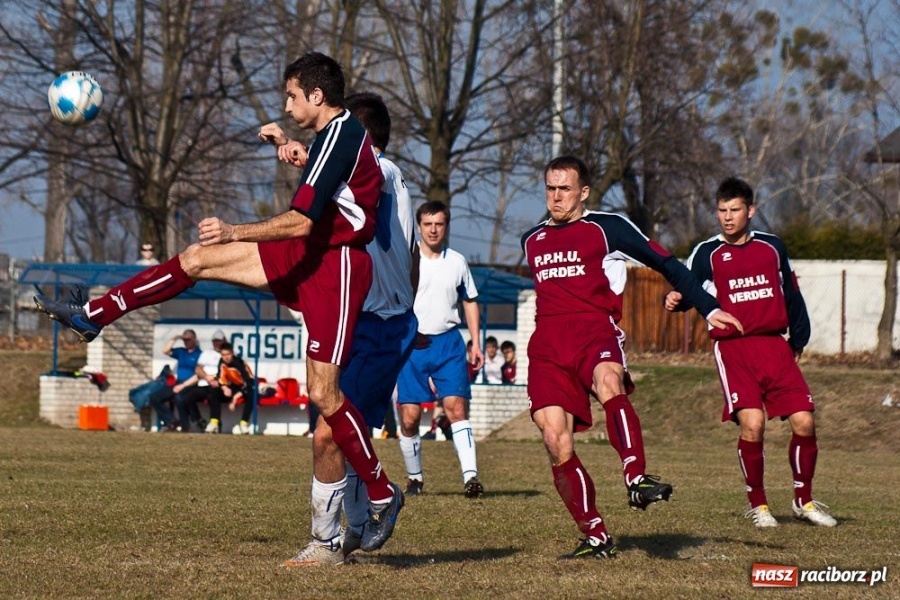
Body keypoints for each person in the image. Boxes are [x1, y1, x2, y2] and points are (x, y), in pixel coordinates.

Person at [33, 52, 404, 558]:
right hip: (312, 255)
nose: (287, 102)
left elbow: (302, 219)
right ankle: (93, 314)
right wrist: (291, 149)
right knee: (197, 258)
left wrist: (236, 230)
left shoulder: (341, 135)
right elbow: (327, 177)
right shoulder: (330, 135)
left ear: (317, 96)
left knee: (324, 393)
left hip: (336, 268)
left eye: (292, 94)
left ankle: (383, 493)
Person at [521, 156, 744, 559]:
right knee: (556, 441)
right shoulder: (531, 239)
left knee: (610, 382)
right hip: (548, 345)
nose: (556, 196)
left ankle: (636, 476)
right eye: (550, 188)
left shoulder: (608, 228)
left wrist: (708, 307)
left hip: (594, 331)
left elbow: (667, 263)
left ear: (583, 192)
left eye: (565, 188)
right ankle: (595, 535)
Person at [266, 92, 419, 566]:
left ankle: (329, 540)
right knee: (341, 432)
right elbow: (325, 178)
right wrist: (295, 149)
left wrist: (299, 150)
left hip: (382, 324)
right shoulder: (368, 174)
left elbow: (329, 179)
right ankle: (350, 529)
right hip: (367, 318)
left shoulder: (382, 170)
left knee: (328, 434)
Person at [664, 177, 836, 528]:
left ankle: (803, 501)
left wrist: (798, 340)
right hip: (733, 349)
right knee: (753, 424)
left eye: (734, 210)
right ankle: (758, 505)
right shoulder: (707, 252)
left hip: (775, 344)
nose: (727, 217)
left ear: (751, 210)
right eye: (722, 211)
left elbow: (791, 293)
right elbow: (690, 290)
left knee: (805, 422)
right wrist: (676, 300)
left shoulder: (773, 247)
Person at [396, 200, 486, 498]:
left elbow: (470, 300)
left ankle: (471, 478)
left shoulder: (457, 261)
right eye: (427, 224)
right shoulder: (405, 261)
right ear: (419, 227)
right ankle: (415, 478)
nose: (433, 230)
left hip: (448, 344)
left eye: (439, 224)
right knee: (409, 418)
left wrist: (476, 341)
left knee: (456, 409)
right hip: (411, 346)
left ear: (446, 226)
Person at [181, 329, 228, 432]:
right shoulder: (207, 353)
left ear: (224, 341)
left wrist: (216, 379)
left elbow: (228, 371)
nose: (217, 343)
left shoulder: (227, 354)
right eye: (215, 341)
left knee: (213, 396)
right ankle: (199, 420)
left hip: (218, 384)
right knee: (187, 398)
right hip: (204, 383)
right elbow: (198, 369)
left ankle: (215, 423)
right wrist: (207, 377)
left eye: (219, 341)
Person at [204, 342, 255, 435]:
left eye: (228, 354)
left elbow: (246, 383)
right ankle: (214, 422)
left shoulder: (239, 363)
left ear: (232, 353)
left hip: (242, 388)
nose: (226, 357)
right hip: (230, 387)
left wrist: (234, 399)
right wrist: (224, 388)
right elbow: (220, 376)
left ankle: (243, 424)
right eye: (223, 355)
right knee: (214, 391)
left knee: (251, 394)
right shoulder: (221, 362)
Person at [161, 329, 203, 432]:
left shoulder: (199, 353)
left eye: (188, 339)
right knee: (155, 397)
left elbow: (198, 374)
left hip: (190, 384)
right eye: (184, 340)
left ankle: (186, 426)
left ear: (194, 339)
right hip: (178, 382)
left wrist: (183, 385)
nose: (186, 342)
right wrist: (176, 338)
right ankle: (171, 421)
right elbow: (165, 351)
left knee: (179, 398)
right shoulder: (181, 352)